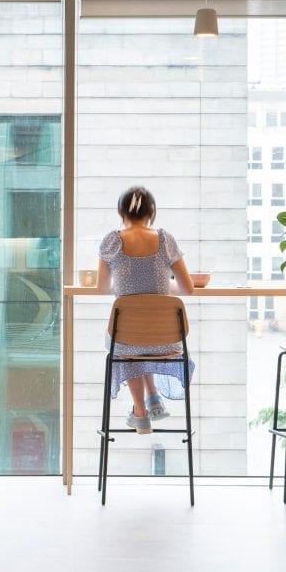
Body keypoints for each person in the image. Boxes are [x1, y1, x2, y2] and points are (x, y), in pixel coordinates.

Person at [96, 185, 195, 434]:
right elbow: (187, 288)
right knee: (141, 338)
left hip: (128, 342)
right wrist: (161, 287)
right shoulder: (165, 240)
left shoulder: (112, 241)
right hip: (167, 341)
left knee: (126, 341)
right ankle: (152, 398)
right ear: (152, 212)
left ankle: (140, 412)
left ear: (120, 212)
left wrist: (126, 288)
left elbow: (102, 287)